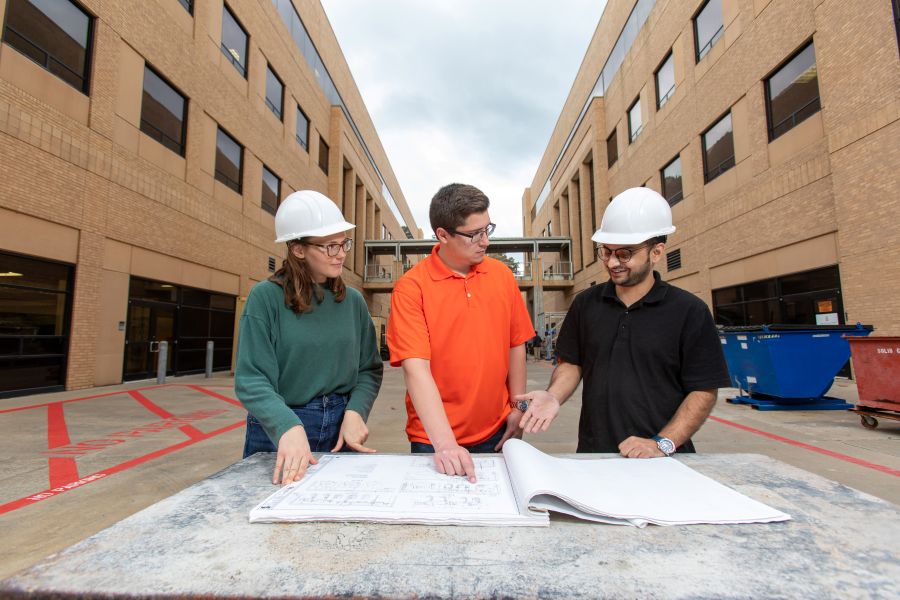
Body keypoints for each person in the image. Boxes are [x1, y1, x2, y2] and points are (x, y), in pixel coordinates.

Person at [516, 187, 730, 458]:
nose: (613, 262)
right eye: (606, 252)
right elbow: (572, 363)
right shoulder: (585, 305)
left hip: (665, 461)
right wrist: (553, 396)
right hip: (596, 455)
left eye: (625, 254)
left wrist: (661, 443)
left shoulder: (690, 311)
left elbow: (703, 390)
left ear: (656, 252)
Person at [387, 183, 535, 482]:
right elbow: (416, 369)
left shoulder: (502, 276)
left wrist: (518, 407)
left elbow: (515, 343)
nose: (485, 242)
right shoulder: (412, 288)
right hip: (434, 439)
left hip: (497, 429)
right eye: (474, 234)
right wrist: (445, 444)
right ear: (442, 235)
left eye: (487, 229)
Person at [235, 190, 383, 485]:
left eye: (344, 243)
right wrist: (286, 425)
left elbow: (369, 369)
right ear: (297, 249)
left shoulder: (353, 302)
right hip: (280, 429)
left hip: (341, 427)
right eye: (330, 246)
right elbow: (252, 379)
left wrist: (356, 411)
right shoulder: (265, 298)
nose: (341, 253)